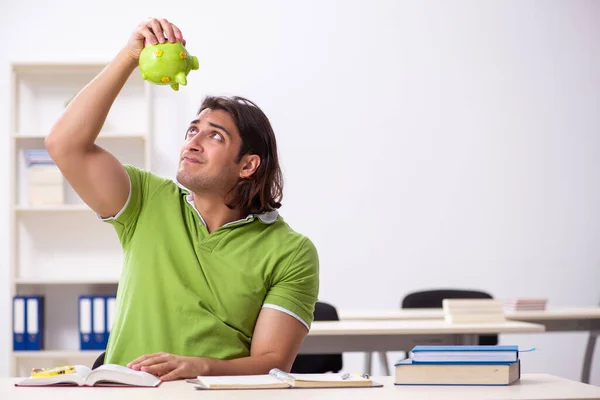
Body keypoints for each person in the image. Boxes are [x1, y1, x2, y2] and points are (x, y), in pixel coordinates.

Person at [45, 17, 319, 382]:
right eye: (193, 130)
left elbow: (272, 362)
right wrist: (130, 56)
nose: (192, 141)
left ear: (248, 165)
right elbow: (64, 145)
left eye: (215, 136)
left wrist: (198, 367)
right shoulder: (146, 200)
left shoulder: (291, 251)